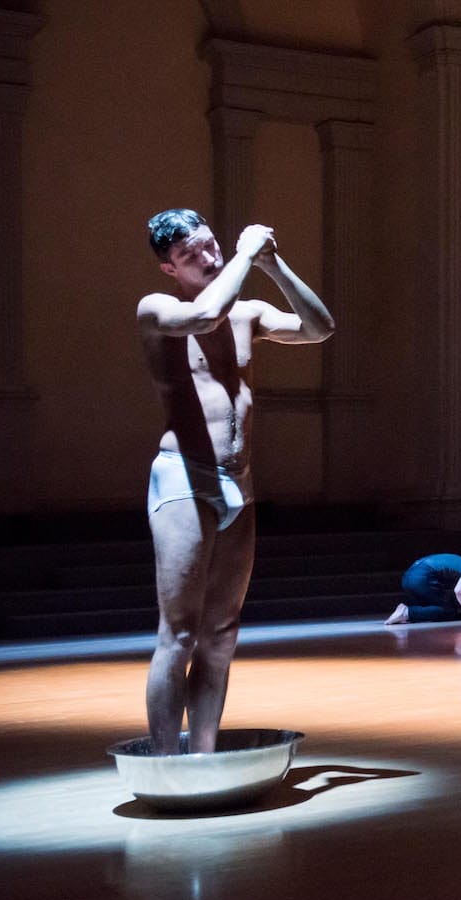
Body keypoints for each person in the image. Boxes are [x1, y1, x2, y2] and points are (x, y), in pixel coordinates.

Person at [139, 208, 335, 755]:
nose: (207, 257)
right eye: (189, 255)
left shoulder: (247, 313)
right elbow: (204, 317)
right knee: (178, 633)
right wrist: (247, 254)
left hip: (239, 482)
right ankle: (163, 762)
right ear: (168, 269)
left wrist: (273, 266)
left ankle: (201, 755)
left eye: (209, 245)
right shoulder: (158, 309)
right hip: (184, 476)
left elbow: (320, 328)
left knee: (221, 634)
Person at [385, 554, 461, 624]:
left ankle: (407, 612)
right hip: (422, 577)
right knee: (448, 611)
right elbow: (459, 591)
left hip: (408, 577)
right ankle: (406, 612)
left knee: (429, 609)